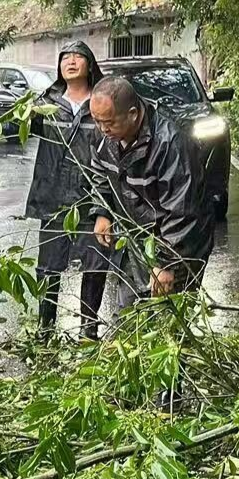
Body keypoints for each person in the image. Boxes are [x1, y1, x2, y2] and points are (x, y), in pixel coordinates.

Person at [88, 75, 213, 310]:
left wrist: (168, 264)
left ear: (133, 114)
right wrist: (102, 211)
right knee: (127, 315)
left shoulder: (171, 141)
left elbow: (183, 210)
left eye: (109, 122)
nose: (103, 129)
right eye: (97, 121)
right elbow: (100, 172)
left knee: (168, 319)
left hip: (179, 241)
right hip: (136, 234)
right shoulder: (104, 132)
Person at [23, 41, 111, 338]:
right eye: (65, 58)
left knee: (96, 264)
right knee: (48, 266)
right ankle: (45, 328)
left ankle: (88, 327)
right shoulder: (46, 103)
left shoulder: (101, 103)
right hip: (53, 198)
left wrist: (105, 208)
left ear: (89, 64)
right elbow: (22, 129)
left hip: (92, 195)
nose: (71, 62)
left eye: (78, 57)